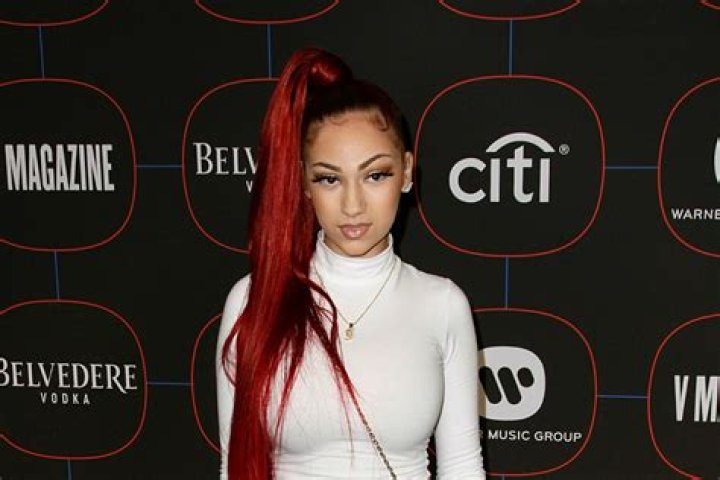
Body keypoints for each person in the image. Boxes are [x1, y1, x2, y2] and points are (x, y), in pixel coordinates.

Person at [216, 47, 485, 479]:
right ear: (304, 183)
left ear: (407, 172)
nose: (353, 205)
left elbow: (462, 468)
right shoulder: (254, 299)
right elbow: (235, 467)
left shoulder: (442, 304)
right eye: (329, 178)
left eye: (375, 175)